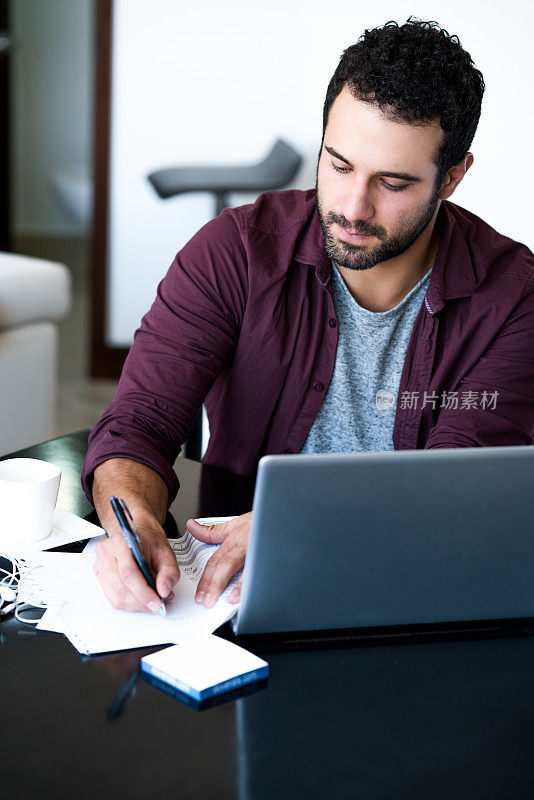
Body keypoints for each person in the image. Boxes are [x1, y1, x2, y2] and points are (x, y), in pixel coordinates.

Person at [82, 18, 534, 615]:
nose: (352, 207)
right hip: (234, 601)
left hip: (415, 595)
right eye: (339, 164)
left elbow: (454, 490)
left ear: (451, 177)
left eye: (392, 183)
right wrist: (132, 515)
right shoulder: (234, 251)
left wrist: (295, 527)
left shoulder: (514, 295)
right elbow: (138, 421)